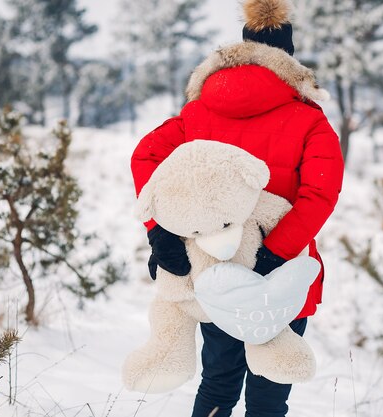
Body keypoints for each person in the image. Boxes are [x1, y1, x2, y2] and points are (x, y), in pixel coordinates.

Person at [130, 0, 344, 415]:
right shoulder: (310, 121)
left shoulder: (197, 113)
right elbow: (319, 194)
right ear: (289, 58)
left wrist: (160, 229)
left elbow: (145, 158)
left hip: (213, 272)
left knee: (217, 386)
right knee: (267, 397)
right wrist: (277, 254)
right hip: (276, 276)